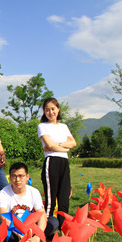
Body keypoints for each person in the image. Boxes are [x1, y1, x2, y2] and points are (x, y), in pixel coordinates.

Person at [0, 162, 59, 242]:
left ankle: (37, 240)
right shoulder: (3, 193)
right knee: (6, 232)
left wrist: (38, 235)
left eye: (21, 176)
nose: (17, 179)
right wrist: (22, 237)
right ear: (10, 177)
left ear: (27, 177)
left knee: (53, 221)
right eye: (14, 176)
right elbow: (4, 218)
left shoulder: (34, 191)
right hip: (14, 228)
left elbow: (41, 214)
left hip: (31, 226)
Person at [38, 97, 77, 232]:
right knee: (50, 199)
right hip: (51, 162)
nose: (50, 112)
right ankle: (47, 229)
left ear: (58, 109)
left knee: (64, 198)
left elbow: (73, 143)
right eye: (47, 110)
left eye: (53, 109)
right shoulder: (42, 126)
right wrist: (65, 148)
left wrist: (58, 145)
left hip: (64, 163)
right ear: (44, 112)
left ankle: (62, 229)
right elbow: (48, 145)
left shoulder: (64, 126)